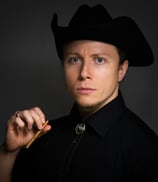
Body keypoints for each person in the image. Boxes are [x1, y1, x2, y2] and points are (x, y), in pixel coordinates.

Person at [0, 4, 158, 182]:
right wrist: (9, 152)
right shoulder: (41, 136)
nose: (84, 73)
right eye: (74, 59)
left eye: (99, 60)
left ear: (121, 70)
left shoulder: (146, 149)